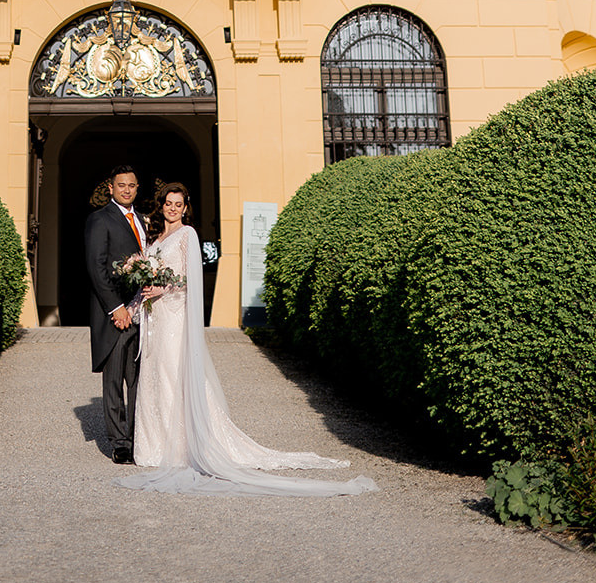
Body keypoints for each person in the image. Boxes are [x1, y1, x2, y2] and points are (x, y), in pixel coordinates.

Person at [121, 182, 377, 497]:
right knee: (155, 377)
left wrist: (163, 289)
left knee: (175, 378)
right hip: (155, 320)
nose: (172, 209)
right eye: (168, 204)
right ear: (162, 206)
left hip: (174, 317)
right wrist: (131, 309)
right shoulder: (157, 238)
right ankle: (153, 447)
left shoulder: (188, 235)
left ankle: (179, 449)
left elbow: (190, 278)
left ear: (186, 207)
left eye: (178, 204)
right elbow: (147, 278)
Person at [83, 164, 149, 463]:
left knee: (138, 380)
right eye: (121, 185)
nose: (126, 189)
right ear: (110, 188)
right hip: (116, 315)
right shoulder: (99, 219)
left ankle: (138, 438)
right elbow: (96, 268)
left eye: (131, 185)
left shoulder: (144, 220)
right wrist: (116, 307)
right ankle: (120, 442)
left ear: (137, 188)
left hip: (143, 314)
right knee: (114, 381)